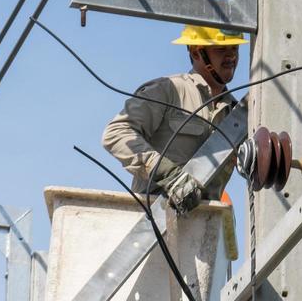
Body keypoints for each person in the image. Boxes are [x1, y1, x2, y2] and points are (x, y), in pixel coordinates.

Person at [101, 25, 246, 214]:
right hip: (152, 219)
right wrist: (165, 172)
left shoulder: (236, 116)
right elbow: (116, 133)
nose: (231, 57)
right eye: (221, 49)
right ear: (196, 53)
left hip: (202, 227)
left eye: (235, 48)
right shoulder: (169, 90)